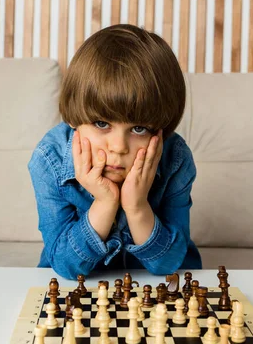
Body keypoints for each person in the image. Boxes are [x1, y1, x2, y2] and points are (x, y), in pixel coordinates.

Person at [28, 24, 202, 279]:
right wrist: (104, 202)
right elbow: (65, 265)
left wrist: (137, 207)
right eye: (102, 124)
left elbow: (169, 264)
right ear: (74, 119)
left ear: (161, 130)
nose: (118, 147)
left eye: (139, 128)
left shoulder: (175, 158)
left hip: (153, 293)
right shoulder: (49, 159)